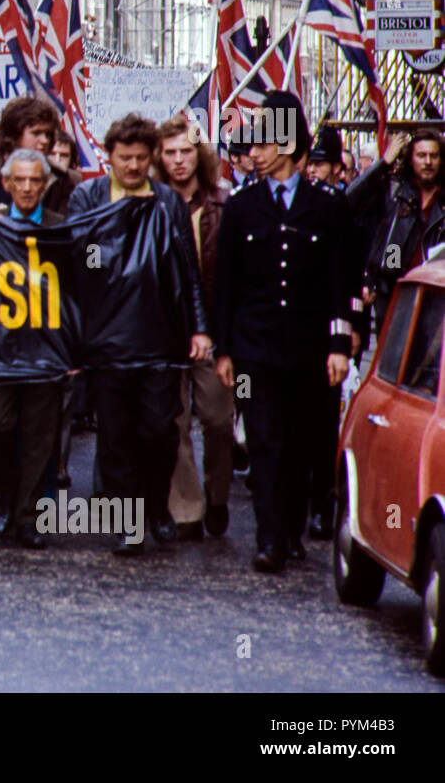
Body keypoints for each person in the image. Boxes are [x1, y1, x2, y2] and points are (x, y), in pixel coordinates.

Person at [214, 91, 360, 572]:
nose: (253, 153)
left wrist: (340, 343)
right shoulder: (241, 208)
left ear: (288, 142)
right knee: (263, 439)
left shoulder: (327, 208)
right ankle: (269, 537)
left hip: (308, 348)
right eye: (249, 146)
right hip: (254, 349)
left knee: (301, 441)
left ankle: (291, 527)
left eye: (263, 143)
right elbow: (225, 283)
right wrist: (223, 349)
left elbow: (344, 282)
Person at [66, 113, 211, 556]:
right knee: (114, 436)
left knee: (158, 431)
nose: (132, 167)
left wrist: (199, 327)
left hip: (159, 337)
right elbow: (76, 267)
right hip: (106, 339)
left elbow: (187, 267)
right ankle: (129, 521)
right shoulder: (88, 197)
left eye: (140, 159)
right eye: (124, 158)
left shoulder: (167, 201)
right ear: (108, 156)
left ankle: (155, 507)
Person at [0, 149, 65, 547]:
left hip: (46, 350)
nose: (27, 188)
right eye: (20, 181)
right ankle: (7, 497)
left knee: (39, 434)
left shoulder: (63, 229)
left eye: (35, 181)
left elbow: (80, 290)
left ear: (45, 186)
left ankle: (28, 517)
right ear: (7, 184)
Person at [153, 115, 233, 541]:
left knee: (219, 420)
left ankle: (217, 494)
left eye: (186, 151)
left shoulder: (222, 203)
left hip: (215, 331)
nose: (179, 160)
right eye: (170, 152)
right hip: (166, 330)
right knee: (175, 421)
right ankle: (186, 509)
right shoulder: (151, 202)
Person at [348, 128, 445, 334]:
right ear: (411, 159)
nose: (428, 162)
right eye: (421, 155)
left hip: (436, 294)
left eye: (433, 156)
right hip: (393, 290)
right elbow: (348, 202)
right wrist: (383, 164)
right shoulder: (394, 191)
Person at [0, 95, 58, 212]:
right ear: (14, 134)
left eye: (48, 134)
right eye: (36, 133)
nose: (45, 140)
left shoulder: (62, 178)